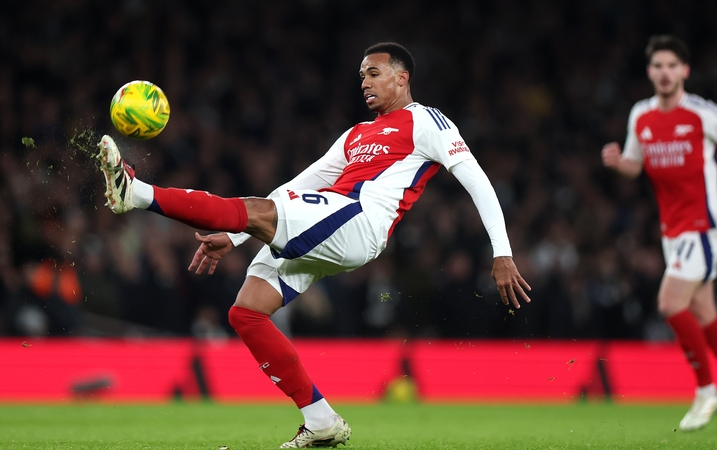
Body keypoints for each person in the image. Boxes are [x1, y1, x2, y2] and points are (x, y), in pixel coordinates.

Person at [97, 42, 531, 448]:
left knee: (256, 209)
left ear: (402, 78)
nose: (364, 82)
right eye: (361, 76)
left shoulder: (426, 121)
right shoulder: (356, 134)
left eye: (374, 73)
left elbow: (477, 180)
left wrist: (501, 251)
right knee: (247, 312)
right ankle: (321, 420)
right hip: (329, 219)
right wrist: (234, 235)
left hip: (360, 221)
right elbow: (300, 184)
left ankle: (135, 194)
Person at [601, 35, 717, 434]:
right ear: (649, 72)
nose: (665, 73)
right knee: (704, 314)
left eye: (672, 65)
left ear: (685, 71)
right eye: (657, 66)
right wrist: (619, 163)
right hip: (672, 228)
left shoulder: (702, 113)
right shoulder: (640, 115)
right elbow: (635, 164)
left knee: (668, 303)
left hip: (702, 224)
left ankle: (706, 391)